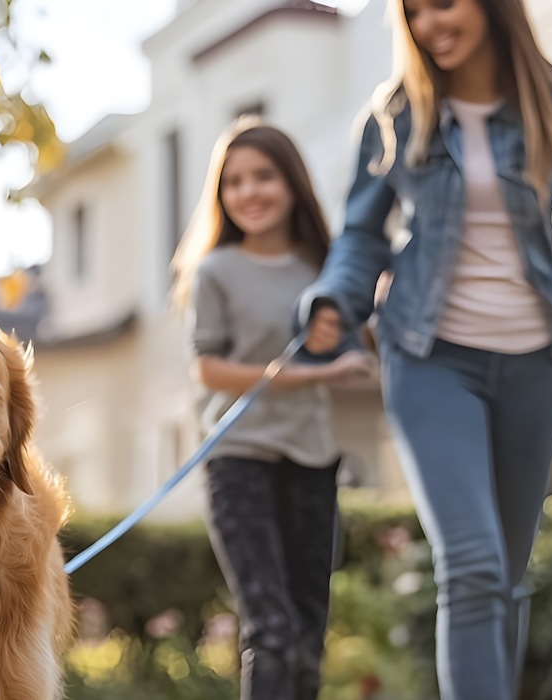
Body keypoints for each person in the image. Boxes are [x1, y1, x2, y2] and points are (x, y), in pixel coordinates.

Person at [299, 1, 552, 698]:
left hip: (533, 367)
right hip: (430, 360)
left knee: (507, 578)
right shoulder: (396, 113)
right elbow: (362, 236)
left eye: (445, 4)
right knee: (473, 565)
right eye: (416, 12)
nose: (431, 24)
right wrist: (335, 301)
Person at [172, 117, 375, 700]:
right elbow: (205, 368)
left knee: (309, 634)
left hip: (313, 458)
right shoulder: (214, 271)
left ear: (291, 184)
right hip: (240, 460)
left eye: (263, 176)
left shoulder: (324, 267)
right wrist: (296, 375)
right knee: (273, 629)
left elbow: (352, 344)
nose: (249, 192)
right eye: (233, 182)